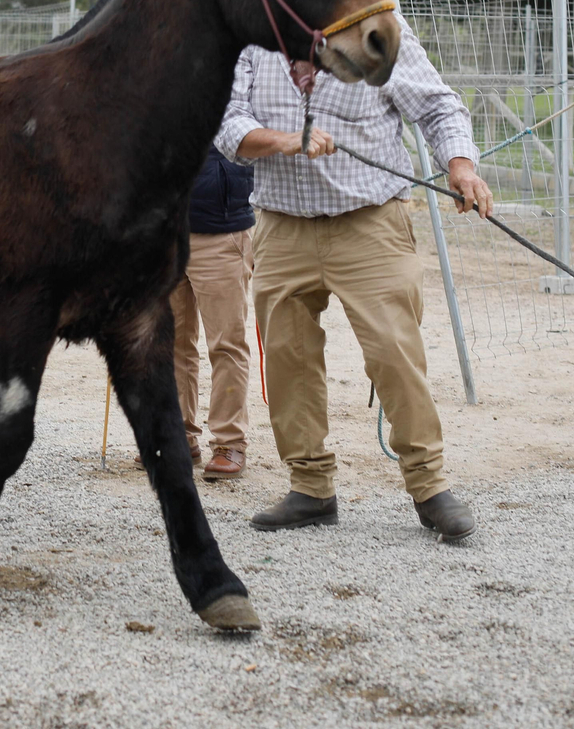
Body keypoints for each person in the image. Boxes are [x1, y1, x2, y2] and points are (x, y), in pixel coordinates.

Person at [215, 30, 492, 540]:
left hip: (371, 222)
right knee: (287, 357)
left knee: (394, 352)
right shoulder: (250, 39)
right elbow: (226, 121)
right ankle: (311, 487)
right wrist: (285, 140)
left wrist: (460, 165)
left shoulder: (376, 33)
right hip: (282, 223)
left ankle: (430, 486)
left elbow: (436, 106)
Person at [167, 146, 257, 480]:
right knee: (170, 342)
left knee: (226, 344)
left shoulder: (237, 90)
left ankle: (230, 441)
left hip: (222, 230)